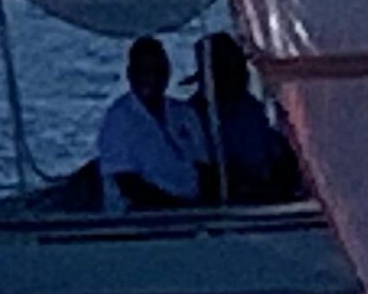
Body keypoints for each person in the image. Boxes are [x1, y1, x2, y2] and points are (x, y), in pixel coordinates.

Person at [186, 32, 304, 205]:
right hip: (221, 210)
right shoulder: (189, 117)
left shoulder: (251, 110)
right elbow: (200, 171)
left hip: (266, 201)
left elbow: (274, 152)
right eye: (228, 69)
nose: (240, 75)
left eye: (240, 68)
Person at [96, 38, 200, 210]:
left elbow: (203, 166)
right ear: (130, 74)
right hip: (139, 220)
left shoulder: (184, 114)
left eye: (158, 70)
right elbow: (126, 182)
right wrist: (172, 207)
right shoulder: (119, 118)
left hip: (194, 216)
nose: (152, 78)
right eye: (144, 71)